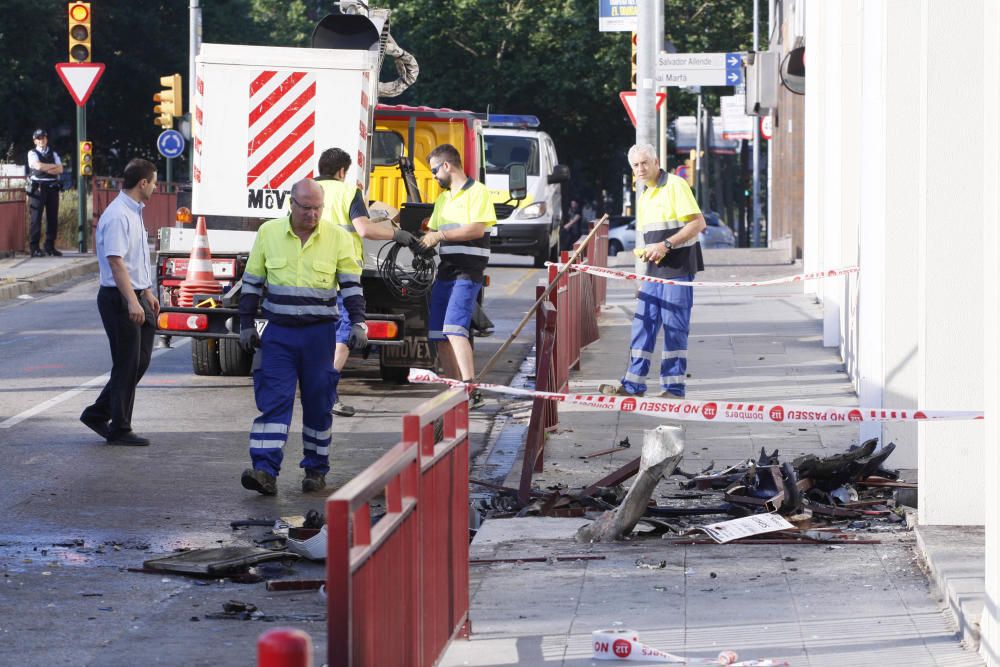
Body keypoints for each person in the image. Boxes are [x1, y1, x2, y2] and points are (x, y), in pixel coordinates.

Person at [238, 178, 366, 495]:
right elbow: (252, 283)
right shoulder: (269, 233)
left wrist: (359, 323)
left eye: (317, 208)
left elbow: (351, 287)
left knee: (318, 403)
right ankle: (264, 471)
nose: (312, 214)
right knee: (274, 401)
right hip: (278, 334)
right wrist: (245, 324)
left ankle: (315, 470)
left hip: (319, 335)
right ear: (291, 204)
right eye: (306, 208)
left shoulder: (337, 237)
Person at [600, 144, 706, 399]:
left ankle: (673, 387)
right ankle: (633, 385)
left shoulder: (675, 186)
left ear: (657, 162)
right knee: (643, 326)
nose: (640, 168)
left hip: (678, 270)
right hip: (653, 271)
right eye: (635, 165)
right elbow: (652, 238)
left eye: (645, 163)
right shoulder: (645, 195)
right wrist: (646, 259)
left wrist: (666, 245)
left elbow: (698, 223)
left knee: (674, 329)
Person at [316, 147, 416, 416]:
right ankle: (325, 388)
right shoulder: (348, 192)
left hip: (305, 274)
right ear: (341, 171)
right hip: (340, 273)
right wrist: (398, 235)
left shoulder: (303, 190)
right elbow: (363, 229)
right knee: (344, 330)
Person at [79, 159, 160, 446]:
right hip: (119, 298)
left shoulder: (134, 211)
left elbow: (135, 258)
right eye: (154, 181)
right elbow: (116, 262)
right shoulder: (117, 215)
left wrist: (147, 291)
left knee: (140, 361)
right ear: (143, 183)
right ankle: (120, 429)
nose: (155, 186)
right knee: (126, 363)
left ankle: (97, 413)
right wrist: (131, 301)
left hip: (137, 294)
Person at [419, 143, 497, 409]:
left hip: (468, 271)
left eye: (433, 171)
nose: (433, 177)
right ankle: (455, 391)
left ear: (447, 166)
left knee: (455, 328)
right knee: (439, 335)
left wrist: (439, 235)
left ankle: (470, 388)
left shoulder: (478, 192)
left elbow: (476, 230)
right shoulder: (443, 199)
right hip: (447, 270)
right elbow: (429, 229)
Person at [27, 129, 64, 257]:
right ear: (34, 141)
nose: (41, 140)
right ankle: (34, 248)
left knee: (52, 218)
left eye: (43, 138)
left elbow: (60, 169)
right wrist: (52, 167)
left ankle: (50, 247)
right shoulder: (32, 153)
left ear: (46, 139)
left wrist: (46, 167)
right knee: (36, 219)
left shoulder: (53, 153)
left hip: (52, 188)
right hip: (38, 188)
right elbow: (37, 166)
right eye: (38, 138)